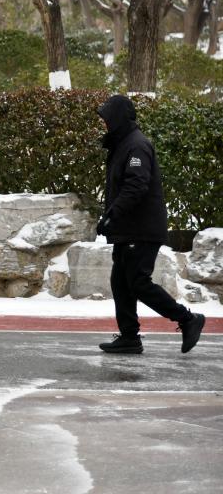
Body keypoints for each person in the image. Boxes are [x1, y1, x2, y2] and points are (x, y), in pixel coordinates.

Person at [96, 94, 205, 354]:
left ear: (118, 118)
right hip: (128, 229)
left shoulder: (137, 145)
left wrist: (112, 214)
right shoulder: (123, 144)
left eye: (107, 118)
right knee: (120, 282)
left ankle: (188, 319)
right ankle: (129, 338)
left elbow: (136, 185)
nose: (104, 124)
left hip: (141, 229)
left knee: (137, 282)